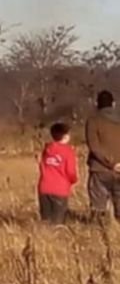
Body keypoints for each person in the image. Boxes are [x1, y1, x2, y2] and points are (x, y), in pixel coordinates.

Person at [86, 91, 120, 220]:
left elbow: (93, 146)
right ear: (114, 104)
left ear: (96, 104)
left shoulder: (93, 121)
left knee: (98, 209)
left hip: (100, 170)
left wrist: (111, 164)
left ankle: (99, 236)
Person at [38, 122, 79, 225]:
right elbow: (70, 171)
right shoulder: (68, 151)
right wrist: (74, 180)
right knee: (58, 222)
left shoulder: (46, 149)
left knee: (45, 221)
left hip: (44, 187)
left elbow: (41, 166)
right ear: (65, 136)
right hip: (60, 190)